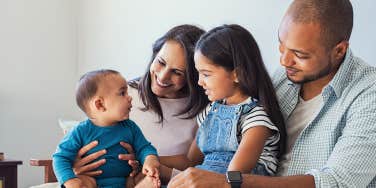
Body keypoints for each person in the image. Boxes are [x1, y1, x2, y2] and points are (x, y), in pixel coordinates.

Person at [168, 0, 376, 187]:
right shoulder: (284, 78)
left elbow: (338, 182)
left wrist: (229, 181)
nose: (284, 61)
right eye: (282, 46)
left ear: (339, 50)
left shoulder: (368, 94)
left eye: (299, 54)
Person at [68, 25, 210, 186]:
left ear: (193, 75)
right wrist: (75, 166)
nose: (163, 77)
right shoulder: (122, 94)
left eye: (177, 72)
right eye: (161, 62)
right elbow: (85, 137)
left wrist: (145, 160)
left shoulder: (206, 109)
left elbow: (192, 163)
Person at [177, 24, 286, 175]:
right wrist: (151, 161)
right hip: (206, 177)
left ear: (237, 74)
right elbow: (190, 161)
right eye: (199, 73)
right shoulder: (210, 112)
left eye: (206, 74)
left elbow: (234, 177)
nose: (199, 82)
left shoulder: (255, 119)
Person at [53, 70, 160, 188]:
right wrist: (70, 180)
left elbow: (144, 147)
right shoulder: (80, 131)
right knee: (81, 182)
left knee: (144, 177)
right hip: (92, 181)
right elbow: (60, 157)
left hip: (127, 180)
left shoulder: (130, 127)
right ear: (100, 104)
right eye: (122, 93)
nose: (130, 97)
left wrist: (150, 159)